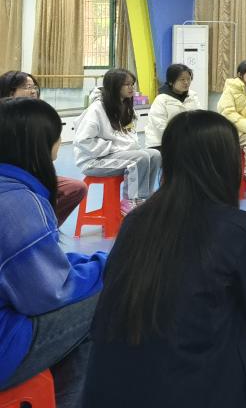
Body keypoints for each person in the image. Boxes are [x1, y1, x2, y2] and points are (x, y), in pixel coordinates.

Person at [83, 110, 246, 408]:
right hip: (194, 392)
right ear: (227, 163)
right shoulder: (237, 231)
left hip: (109, 392)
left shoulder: (134, 222)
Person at [0, 98, 107, 407]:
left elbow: (28, 268)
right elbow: (49, 294)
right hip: (5, 346)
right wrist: (105, 265)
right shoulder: (20, 203)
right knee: (106, 296)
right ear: (40, 144)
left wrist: (82, 264)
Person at [0, 70, 86, 226]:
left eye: (34, 87)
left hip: (32, 174)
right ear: (10, 92)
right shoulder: (5, 119)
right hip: (11, 178)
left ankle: (46, 224)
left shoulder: (38, 116)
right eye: (27, 87)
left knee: (75, 188)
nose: (33, 91)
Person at [74, 68, 161, 213]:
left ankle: (143, 197)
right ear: (115, 86)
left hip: (116, 155)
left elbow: (127, 135)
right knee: (140, 158)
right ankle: (129, 200)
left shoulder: (125, 106)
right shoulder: (97, 109)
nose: (131, 87)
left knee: (155, 154)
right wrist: (112, 148)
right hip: (94, 161)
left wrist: (126, 148)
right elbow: (82, 140)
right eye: (127, 84)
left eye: (132, 84)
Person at [145, 63, 201, 150]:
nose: (186, 82)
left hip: (186, 141)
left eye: (188, 79)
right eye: (182, 79)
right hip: (162, 142)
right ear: (171, 82)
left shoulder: (193, 96)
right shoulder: (161, 99)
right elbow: (160, 126)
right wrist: (181, 138)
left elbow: (198, 118)